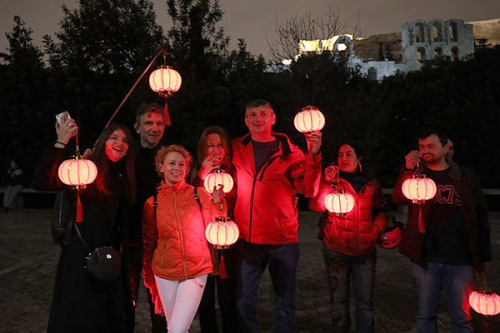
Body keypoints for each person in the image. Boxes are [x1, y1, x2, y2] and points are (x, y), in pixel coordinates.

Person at [32, 114, 136, 332]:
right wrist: (61, 142)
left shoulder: (123, 177)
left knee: (109, 317)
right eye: (114, 138)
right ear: (103, 141)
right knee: (78, 315)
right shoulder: (84, 169)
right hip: (80, 255)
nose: (120, 143)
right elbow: (43, 181)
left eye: (125, 140)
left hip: (110, 259)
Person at [232, 99, 322, 332]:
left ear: (273, 118)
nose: (258, 119)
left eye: (263, 114)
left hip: (282, 240)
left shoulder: (291, 152)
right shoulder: (236, 147)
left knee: (284, 303)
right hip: (247, 239)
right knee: (243, 302)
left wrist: (314, 155)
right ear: (246, 120)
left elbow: (309, 189)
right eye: (252, 115)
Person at [392, 130, 491, 333]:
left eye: (431, 146)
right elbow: (398, 199)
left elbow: (480, 217)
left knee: (462, 319)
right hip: (426, 258)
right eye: (421, 147)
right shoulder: (418, 177)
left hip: (460, 259)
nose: (425, 151)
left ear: (445, 148)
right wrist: (407, 170)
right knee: (425, 315)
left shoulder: (466, 177)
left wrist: (483, 256)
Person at [142, 144, 227, 333]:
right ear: (161, 166)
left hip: (196, 269)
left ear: (187, 169)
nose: (177, 169)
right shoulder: (152, 203)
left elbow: (214, 229)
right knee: (173, 327)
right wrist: (150, 281)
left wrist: (217, 203)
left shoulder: (199, 194)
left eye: (181, 165)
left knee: (177, 329)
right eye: (171, 164)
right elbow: (149, 243)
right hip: (164, 273)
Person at [309, 143, 387, 332]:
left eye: (349, 154)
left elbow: (381, 211)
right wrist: (326, 182)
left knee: (365, 302)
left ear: (359, 158)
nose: (343, 158)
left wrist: (375, 231)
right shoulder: (333, 181)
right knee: (338, 301)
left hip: (365, 251)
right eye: (340, 154)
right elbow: (316, 206)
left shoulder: (371, 183)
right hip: (336, 249)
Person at [192, 126, 238, 333]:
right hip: (202, 246)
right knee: (205, 298)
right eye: (210, 146)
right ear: (203, 150)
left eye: (220, 145)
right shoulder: (194, 174)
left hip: (230, 243)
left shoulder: (234, 173)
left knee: (229, 297)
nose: (215, 150)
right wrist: (201, 175)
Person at [129, 103, 167, 332]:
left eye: (159, 123)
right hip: (131, 236)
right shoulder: (126, 156)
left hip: (161, 239)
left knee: (160, 299)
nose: (154, 128)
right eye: (149, 123)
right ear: (137, 126)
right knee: (127, 297)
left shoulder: (169, 157)